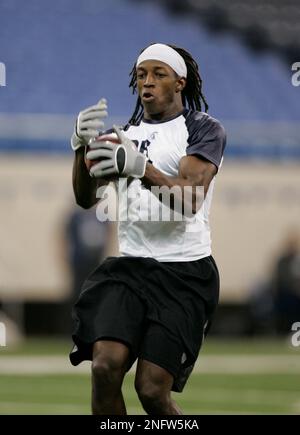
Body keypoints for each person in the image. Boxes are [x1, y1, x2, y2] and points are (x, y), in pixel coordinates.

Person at [69, 43, 226, 415]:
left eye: (159, 74)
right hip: (130, 267)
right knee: (105, 367)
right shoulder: (121, 134)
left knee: (152, 389)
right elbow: (85, 198)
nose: (147, 83)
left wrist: (143, 169)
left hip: (184, 272)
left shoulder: (203, 129)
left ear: (180, 82)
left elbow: (189, 201)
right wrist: (80, 148)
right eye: (141, 75)